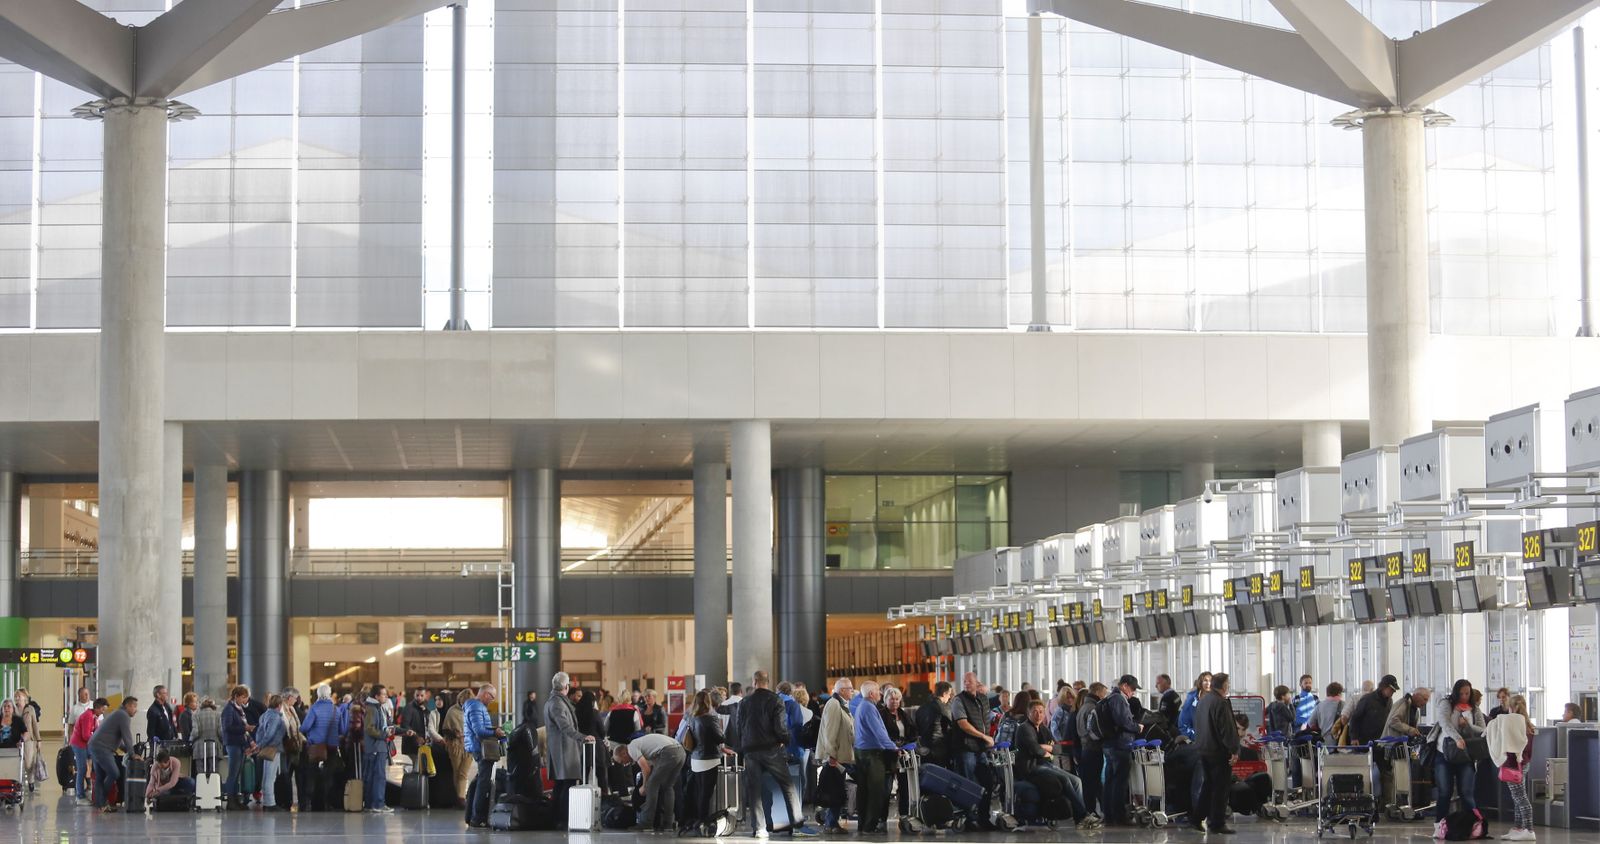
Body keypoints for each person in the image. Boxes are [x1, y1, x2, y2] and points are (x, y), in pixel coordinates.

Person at [735, 670, 820, 838]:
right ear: (768, 682)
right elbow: (781, 727)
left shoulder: (744, 702)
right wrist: (784, 740)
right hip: (771, 750)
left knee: (755, 790)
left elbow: (739, 727)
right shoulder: (776, 700)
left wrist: (744, 745)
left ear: (754, 682)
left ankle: (759, 828)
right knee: (788, 786)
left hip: (751, 751)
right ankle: (797, 824)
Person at [1015, 699, 1099, 828]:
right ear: (1028, 713)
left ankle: (1079, 820)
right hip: (1032, 768)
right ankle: (1083, 815)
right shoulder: (1024, 729)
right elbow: (1035, 749)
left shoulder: (1043, 729)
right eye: (1035, 712)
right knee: (1064, 779)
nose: (1039, 715)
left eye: (1041, 712)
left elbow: (1058, 748)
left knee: (1077, 780)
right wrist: (1045, 750)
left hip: (1046, 764)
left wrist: (1044, 747)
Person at [1434, 678, 1487, 830]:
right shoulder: (1446, 704)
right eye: (1461, 693)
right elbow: (1445, 723)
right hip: (1444, 753)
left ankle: (1475, 826)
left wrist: (1468, 726)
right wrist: (1457, 738)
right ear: (1456, 692)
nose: (1464, 696)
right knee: (1445, 791)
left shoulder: (1474, 709)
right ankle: (1439, 825)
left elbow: (1482, 729)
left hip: (1465, 756)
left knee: (1467, 792)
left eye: (1467, 693)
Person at [1192, 672, 1239, 835]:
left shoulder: (1203, 701)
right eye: (1228, 684)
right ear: (1224, 686)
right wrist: (1234, 750)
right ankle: (1216, 823)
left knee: (1208, 785)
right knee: (1221, 788)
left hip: (1203, 749)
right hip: (1219, 751)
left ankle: (1196, 817)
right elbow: (1226, 728)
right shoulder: (1221, 702)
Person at [616, 730, 687, 832]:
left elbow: (646, 769)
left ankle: (646, 823)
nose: (624, 764)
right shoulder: (643, 746)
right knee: (668, 787)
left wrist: (644, 786)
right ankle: (668, 824)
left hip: (669, 752)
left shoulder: (631, 747)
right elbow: (651, 766)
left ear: (623, 753)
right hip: (680, 751)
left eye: (621, 761)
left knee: (652, 785)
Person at [1489, 694, 1537, 841]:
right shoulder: (1528, 725)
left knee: (1520, 798)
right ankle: (1518, 828)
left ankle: (1529, 830)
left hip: (1513, 765)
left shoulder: (1512, 724)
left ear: (1510, 707)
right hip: (1523, 764)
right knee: (1518, 798)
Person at [545, 672, 590, 828]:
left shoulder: (556, 701)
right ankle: (563, 820)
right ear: (566, 686)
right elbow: (565, 727)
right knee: (567, 784)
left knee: (560, 785)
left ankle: (555, 819)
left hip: (563, 749)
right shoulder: (557, 703)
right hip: (564, 750)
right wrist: (582, 737)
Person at [852, 681, 897, 835]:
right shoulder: (869, 708)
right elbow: (879, 732)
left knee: (864, 791)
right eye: (878, 691)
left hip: (861, 751)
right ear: (871, 694)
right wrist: (893, 747)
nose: (880, 693)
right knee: (876, 791)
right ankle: (869, 826)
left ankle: (862, 825)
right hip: (872, 754)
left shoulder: (861, 706)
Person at [682, 689, 730, 833]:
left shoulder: (691, 717)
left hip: (695, 759)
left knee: (698, 792)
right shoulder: (710, 718)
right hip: (710, 760)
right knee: (706, 793)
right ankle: (702, 821)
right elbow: (720, 738)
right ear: (708, 702)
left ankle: (697, 819)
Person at [952, 672, 996, 826]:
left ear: (977, 683)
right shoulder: (958, 700)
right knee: (968, 783)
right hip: (966, 748)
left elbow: (985, 719)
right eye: (964, 681)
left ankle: (984, 818)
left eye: (969, 681)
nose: (966, 683)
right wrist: (984, 737)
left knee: (987, 782)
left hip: (981, 749)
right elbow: (963, 724)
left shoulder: (983, 699)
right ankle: (969, 819)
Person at [1100, 675, 1143, 827]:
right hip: (1120, 745)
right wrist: (1137, 727)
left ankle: (1109, 815)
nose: (1133, 692)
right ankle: (1118, 816)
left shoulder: (1109, 698)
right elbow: (1123, 721)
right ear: (1124, 686)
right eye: (1132, 689)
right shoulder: (1118, 699)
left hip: (1110, 745)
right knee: (1119, 782)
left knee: (1110, 781)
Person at [816, 677, 856, 833]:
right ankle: (830, 823)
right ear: (842, 690)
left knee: (837, 790)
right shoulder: (834, 704)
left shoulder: (841, 704)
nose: (852, 691)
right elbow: (830, 732)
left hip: (841, 755)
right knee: (834, 791)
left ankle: (832, 822)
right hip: (836, 757)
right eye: (850, 688)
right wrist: (831, 755)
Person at [461, 682, 504, 827]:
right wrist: (495, 732)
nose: (492, 701)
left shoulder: (476, 707)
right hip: (481, 749)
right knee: (483, 783)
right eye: (491, 697)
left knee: (481, 780)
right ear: (485, 694)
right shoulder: (476, 707)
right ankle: (477, 817)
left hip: (478, 747)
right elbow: (479, 730)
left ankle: (474, 814)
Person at [88, 697, 141, 812]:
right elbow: (127, 736)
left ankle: (100, 804)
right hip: (102, 748)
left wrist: (126, 749)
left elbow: (118, 738)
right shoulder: (123, 715)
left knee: (100, 776)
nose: (136, 710)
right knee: (114, 773)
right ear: (127, 706)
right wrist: (132, 754)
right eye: (134, 706)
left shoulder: (118, 713)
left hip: (95, 745)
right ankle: (102, 800)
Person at [880, 685, 916, 822]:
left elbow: (912, 732)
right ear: (885, 699)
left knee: (905, 787)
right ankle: (882, 819)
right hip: (887, 756)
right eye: (891, 698)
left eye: (897, 699)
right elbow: (882, 735)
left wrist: (907, 745)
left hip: (904, 754)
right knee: (886, 789)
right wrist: (895, 746)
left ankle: (904, 815)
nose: (894, 701)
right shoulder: (881, 714)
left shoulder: (904, 714)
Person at [362, 685, 398, 814]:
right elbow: (370, 728)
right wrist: (384, 735)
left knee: (372, 776)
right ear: (376, 696)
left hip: (376, 747)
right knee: (379, 776)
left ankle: (370, 804)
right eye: (383, 694)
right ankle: (378, 804)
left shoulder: (378, 708)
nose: (386, 696)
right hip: (376, 747)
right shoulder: (372, 709)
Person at [222, 685, 257, 807]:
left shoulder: (238, 709)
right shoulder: (229, 709)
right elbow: (227, 727)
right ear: (236, 696)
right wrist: (245, 728)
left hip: (240, 744)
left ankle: (236, 799)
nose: (244, 700)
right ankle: (231, 801)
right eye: (243, 697)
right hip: (233, 744)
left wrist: (250, 741)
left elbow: (244, 729)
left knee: (237, 774)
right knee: (233, 773)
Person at [1076, 682, 1106, 820]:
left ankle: (1090, 809)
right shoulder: (1093, 708)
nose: (1104, 696)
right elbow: (1095, 731)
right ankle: (1092, 810)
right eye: (1103, 693)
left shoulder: (1083, 707)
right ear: (1098, 692)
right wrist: (1103, 738)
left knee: (1088, 782)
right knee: (1094, 781)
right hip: (1093, 749)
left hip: (1084, 749)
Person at [254, 694, 287, 811]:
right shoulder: (275, 717)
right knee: (270, 777)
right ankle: (270, 804)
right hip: (273, 748)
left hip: (266, 748)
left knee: (266, 776)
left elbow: (259, 732)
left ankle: (267, 802)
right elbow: (270, 734)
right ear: (279, 705)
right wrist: (261, 745)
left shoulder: (264, 715)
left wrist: (259, 744)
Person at [69, 697, 106, 803]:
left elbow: (95, 730)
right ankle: (80, 796)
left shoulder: (94, 716)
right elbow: (85, 736)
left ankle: (88, 791)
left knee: (92, 767)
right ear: (98, 708)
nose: (103, 712)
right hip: (79, 745)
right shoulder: (88, 717)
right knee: (82, 769)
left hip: (85, 745)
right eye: (103, 710)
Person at [443, 687, 473, 806]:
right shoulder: (452, 711)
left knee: (463, 773)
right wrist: (455, 734)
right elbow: (445, 729)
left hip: (469, 746)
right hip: (455, 746)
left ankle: (460, 798)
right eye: (463, 701)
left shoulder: (473, 711)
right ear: (459, 699)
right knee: (457, 772)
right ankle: (459, 797)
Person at [915, 681, 954, 768]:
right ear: (944, 694)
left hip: (924, 747)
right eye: (949, 694)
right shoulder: (943, 708)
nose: (950, 697)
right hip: (939, 748)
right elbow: (953, 725)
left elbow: (917, 727)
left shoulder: (921, 708)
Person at [10, 691, 38, 791]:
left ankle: (31, 781)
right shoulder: (13, 709)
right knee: (16, 762)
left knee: (28, 763)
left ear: (24, 697)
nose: (17, 698)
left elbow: (35, 725)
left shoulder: (30, 709)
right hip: (17, 740)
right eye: (15, 696)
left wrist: (38, 740)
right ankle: (17, 782)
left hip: (28, 740)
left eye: (19, 696)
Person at [1049, 686, 1077, 768]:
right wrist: (1060, 741)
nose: (1070, 700)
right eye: (1067, 698)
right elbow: (1054, 728)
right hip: (1063, 745)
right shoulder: (1060, 711)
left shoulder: (1073, 710)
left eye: (1071, 697)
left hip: (1072, 744)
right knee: (1065, 767)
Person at [1179, 672, 1211, 739]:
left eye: (1210, 681)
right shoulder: (1191, 700)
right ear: (1200, 682)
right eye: (1205, 680)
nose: (1208, 683)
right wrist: (1193, 736)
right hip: (1195, 740)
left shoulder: (1217, 700)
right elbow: (1183, 723)